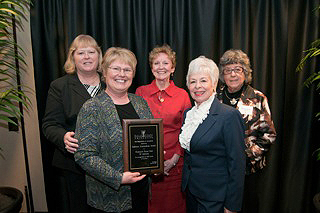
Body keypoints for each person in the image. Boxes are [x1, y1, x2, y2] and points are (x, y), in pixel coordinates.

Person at [74, 47, 153, 213]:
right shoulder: (92, 107)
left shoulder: (140, 103)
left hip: (140, 191)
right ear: (104, 72)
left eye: (127, 69)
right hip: (108, 197)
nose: (121, 74)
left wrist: (155, 160)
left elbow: (150, 140)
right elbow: (84, 155)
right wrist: (118, 178)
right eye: (116, 68)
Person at [42, 34, 105, 213]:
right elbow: (49, 124)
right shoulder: (60, 86)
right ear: (72, 57)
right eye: (81, 53)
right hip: (75, 166)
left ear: (99, 56)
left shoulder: (111, 82)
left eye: (91, 52)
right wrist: (63, 137)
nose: (87, 57)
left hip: (110, 164)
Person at [179, 56, 246, 213]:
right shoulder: (188, 114)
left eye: (203, 81)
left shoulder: (228, 116)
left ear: (214, 84)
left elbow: (237, 164)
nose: (197, 86)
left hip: (216, 198)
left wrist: (232, 205)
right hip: (192, 193)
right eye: (193, 81)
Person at [217, 49, 276, 212]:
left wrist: (244, 157)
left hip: (248, 170)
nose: (233, 74)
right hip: (219, 168)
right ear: (223, 74)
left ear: (245, 72)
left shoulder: (257, 97)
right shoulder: (215, 97)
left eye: (238, 69)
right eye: (228, 70)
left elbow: (269, 135)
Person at [135, 44, 191, 213]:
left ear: (172, 68)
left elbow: (186, 130)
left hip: (175, 166)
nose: (161, 67)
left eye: (165, 63)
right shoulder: (140, 92)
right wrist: (150, 163)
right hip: (146, 167)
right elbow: (136, 130)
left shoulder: (183, 95)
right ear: (151, 68)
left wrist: (173, 159)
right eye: (156, 63)